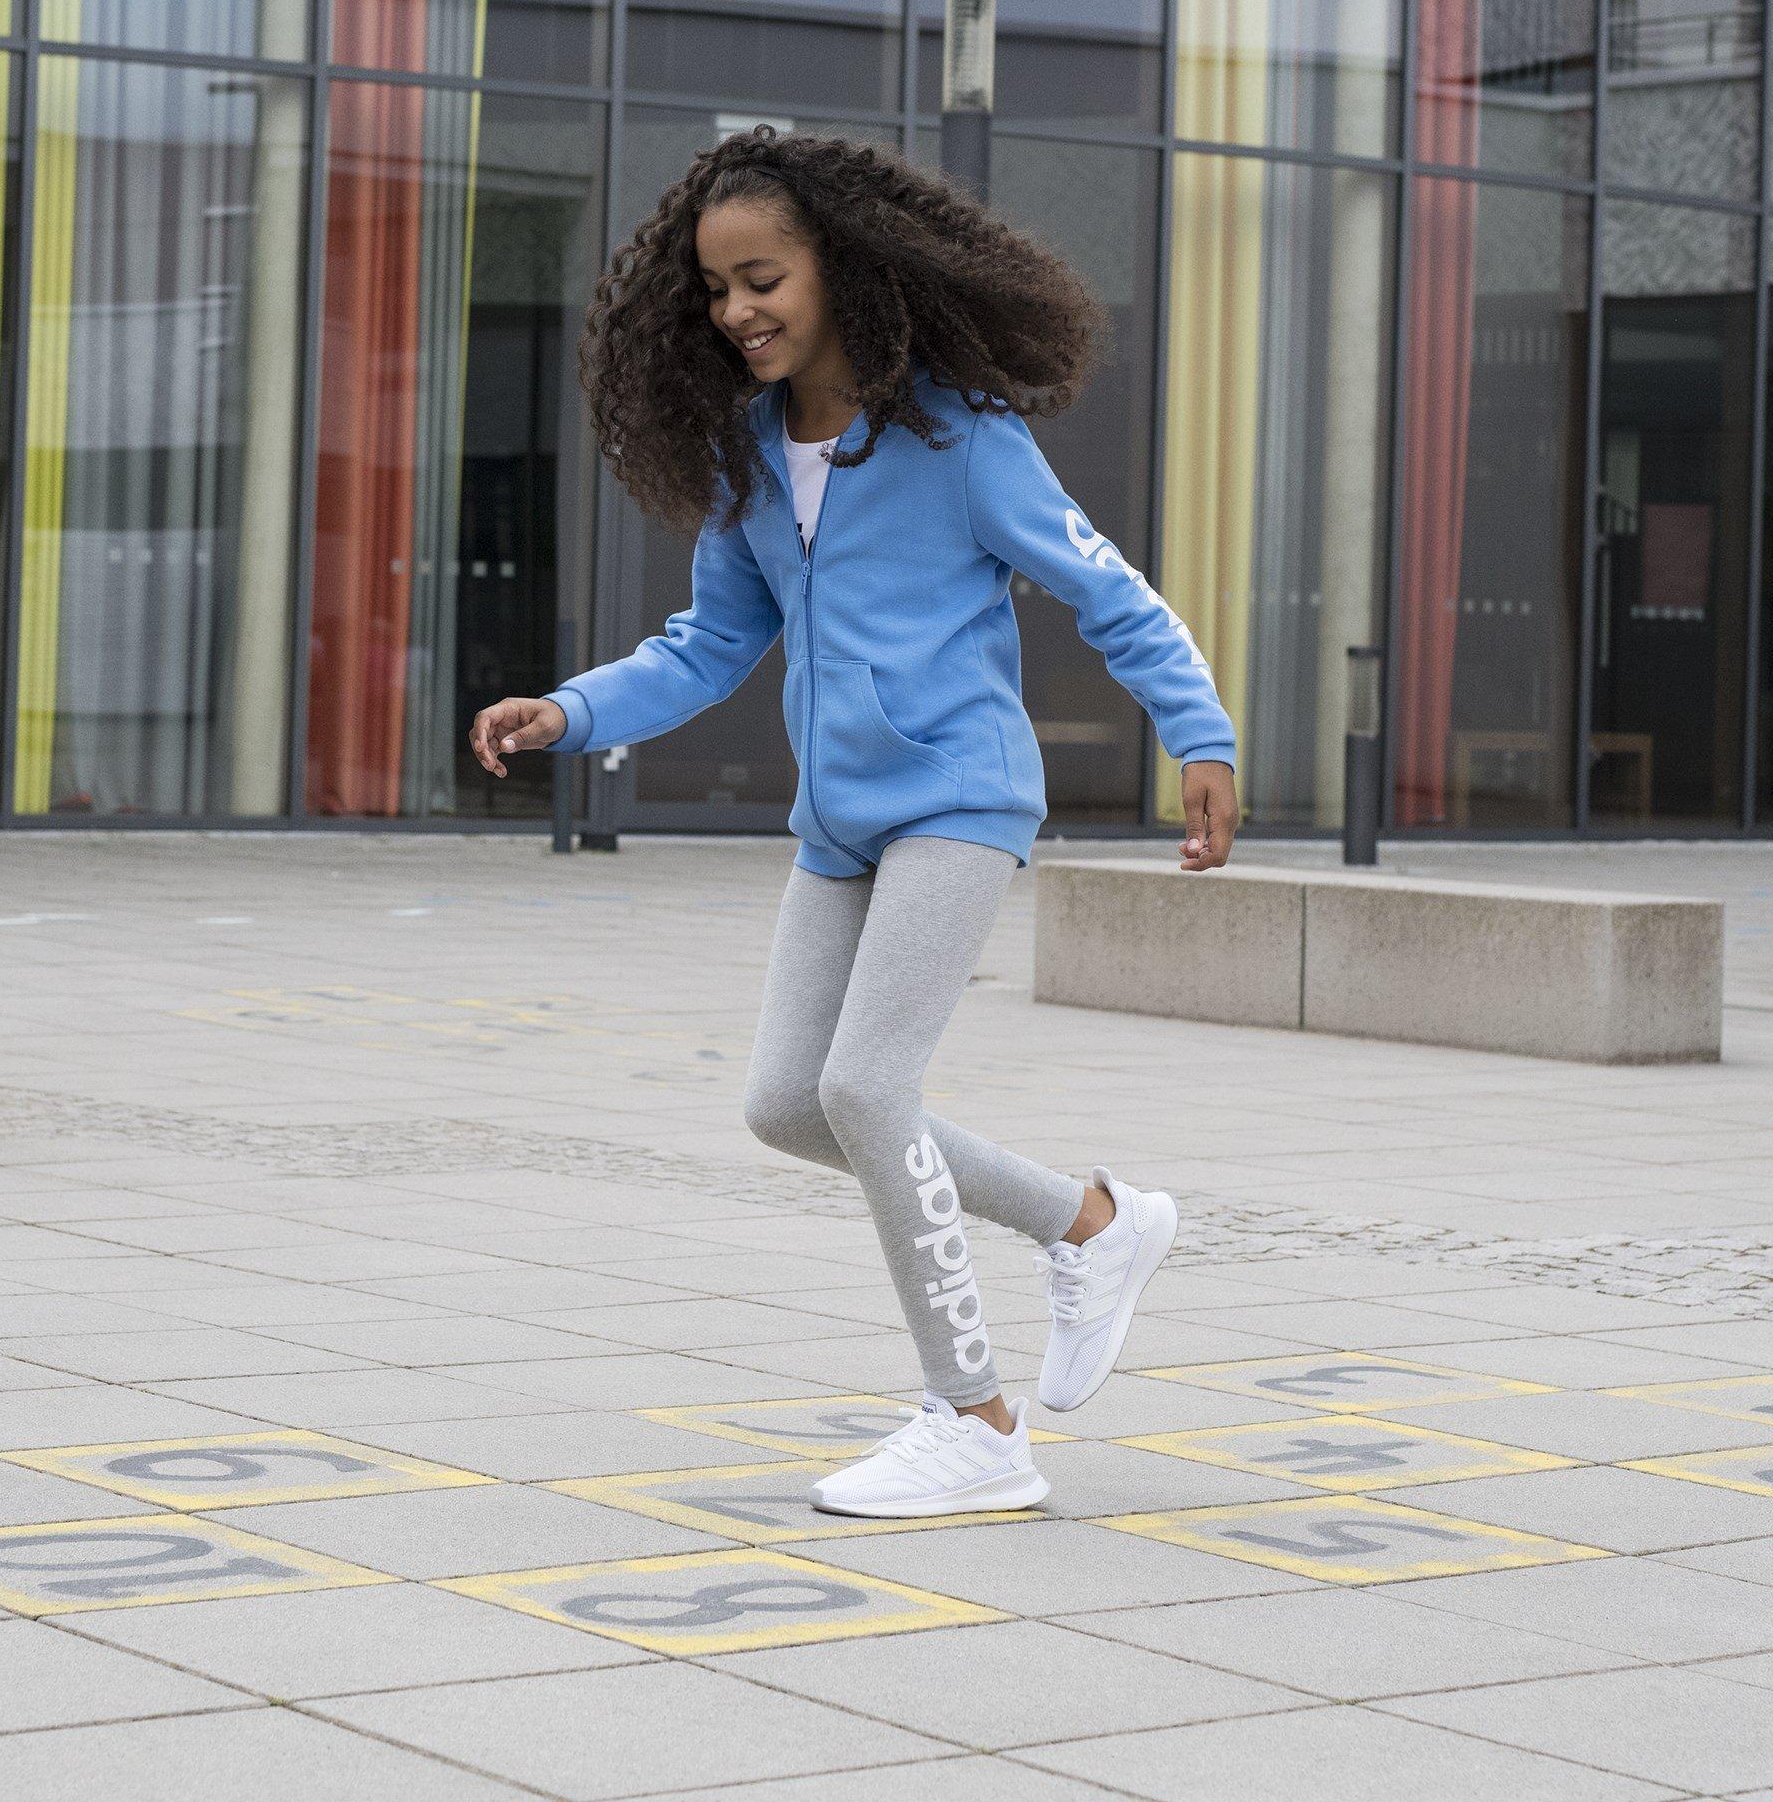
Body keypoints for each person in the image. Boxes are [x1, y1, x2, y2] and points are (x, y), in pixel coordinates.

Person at [470, 128, 1237, 1519]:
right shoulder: (753, 456)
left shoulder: (956, 436)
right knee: (787, 1104)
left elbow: (1106, 588)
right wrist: (571, 712)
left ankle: (977, 1424)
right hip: (840, 825)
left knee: (866, 1091)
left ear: (844, 267)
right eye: (714, 291)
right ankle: (1096, 1227)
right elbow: (709, 643)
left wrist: (1200, 732)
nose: (737, 311)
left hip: (961, 796)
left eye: (762, 277)